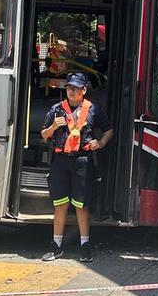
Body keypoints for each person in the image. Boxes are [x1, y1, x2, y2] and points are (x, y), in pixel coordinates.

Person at [40, 71, 113, 262]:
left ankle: (85, 245)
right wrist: (54, 127)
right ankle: (56, 246)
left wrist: (101, 143)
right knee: (60, 204)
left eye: (76, 88)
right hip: (60, 162)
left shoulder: (93, 110)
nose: (72, 92)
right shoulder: (57, 109)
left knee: (82, 205)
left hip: (82, 162)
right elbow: (44, 135)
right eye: (69, 88)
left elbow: (108, 130)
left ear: (84, 89)